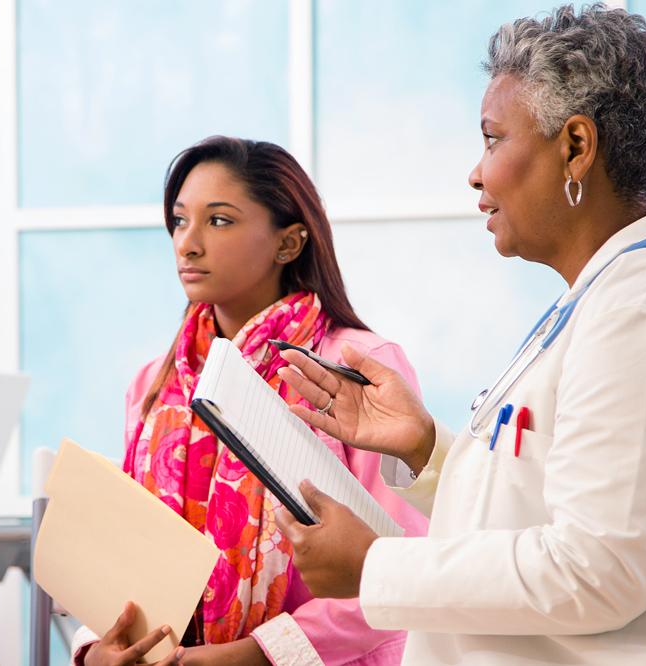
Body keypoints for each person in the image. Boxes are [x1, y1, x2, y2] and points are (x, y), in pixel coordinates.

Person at [273, 5, 646, 665]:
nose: (477, 173)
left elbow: (600, 570)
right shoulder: (608, 297)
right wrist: (424, 448)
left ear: (576, 148)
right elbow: (550, 504)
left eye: (494, 139)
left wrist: (374, 568)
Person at [74, 136, 429, 666]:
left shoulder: (357, 368)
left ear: (289, 243)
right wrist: (99, 650)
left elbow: (399, 566)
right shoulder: (155, 381)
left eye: (219, 221)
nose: (187, 243)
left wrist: (257, 655)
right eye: (179, 220)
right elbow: (131, 554)